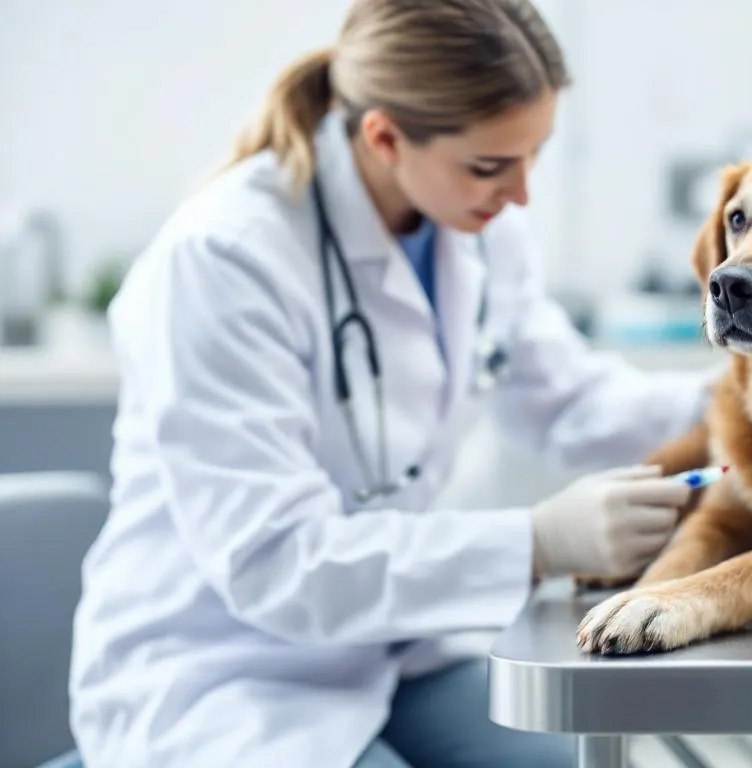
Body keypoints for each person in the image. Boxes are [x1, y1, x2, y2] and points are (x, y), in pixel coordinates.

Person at [65, 1, 716, 766]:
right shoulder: (224, 260)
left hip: (386, 650)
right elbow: (277, 562)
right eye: (490, 165)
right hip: (222, 676)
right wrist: (535, 542)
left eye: (534, 155)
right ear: (383, 137)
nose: (521, 194)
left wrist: (751, 392)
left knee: (569, 759)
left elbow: (569, 399)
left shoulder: (475, 225)